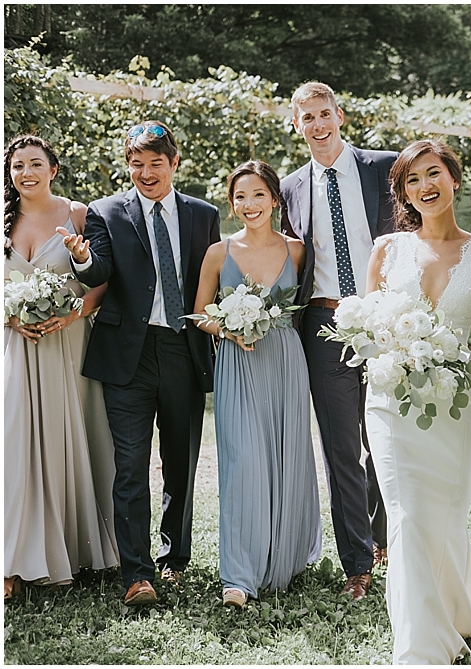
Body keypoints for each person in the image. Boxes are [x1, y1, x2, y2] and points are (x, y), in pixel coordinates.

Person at [60, 121, 220, 606]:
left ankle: (174, 562)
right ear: (126, 165)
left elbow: (209, 278)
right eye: (136, 164)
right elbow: (100, 269)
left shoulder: (203, 215)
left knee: (181, 464)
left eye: (155, 163)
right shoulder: (107, 212)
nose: (146, 173)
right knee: (130, 467)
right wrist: (83, 260)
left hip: (182, 349)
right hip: (125, 354)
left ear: (174, 163)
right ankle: (137, 573)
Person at [364, 139, 471, 663]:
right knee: (405, 513)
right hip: (391, 400)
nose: (425, 187)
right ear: (403, 191)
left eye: (434, 174)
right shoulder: (388, 248)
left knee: (445, 513)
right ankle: (420, 643)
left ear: (454, 178)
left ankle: (458, 605)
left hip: (454, 403)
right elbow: (365, 319)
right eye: (412, 180)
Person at [279, 82, 395, 599]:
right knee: (341, 448)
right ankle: (358, 564)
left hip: (389, 321)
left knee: (391, 439)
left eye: (325, 114)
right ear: (297, 126)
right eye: (308, 119)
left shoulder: (384, 168)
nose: (318, 125)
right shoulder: (289, 188)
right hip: (325, 328)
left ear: (340, 115)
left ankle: (390, 538)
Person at [190, 161, 322, 608]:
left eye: (258, 195)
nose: (249, 205)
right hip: (238, 361)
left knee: (286, 457)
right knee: (242, 460)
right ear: (232, 204)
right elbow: (199, 312)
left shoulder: (298, 251)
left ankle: (283, 559)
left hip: (285, 359)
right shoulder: (218, 252)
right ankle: (238, 577)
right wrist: (228, 326)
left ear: (275, 200)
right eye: (240, 197)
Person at [4, 135, 118, 599]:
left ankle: (69, 549)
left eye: (35, 164)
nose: (25, 173)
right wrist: (11, 315)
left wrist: (74, 313)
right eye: (16, 166)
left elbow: (104, 280)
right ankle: (10, 559)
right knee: (12, 444)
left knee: (67, 438)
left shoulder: (79, 215)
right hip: (13, 346)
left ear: (53, 169)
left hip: (67, 343)